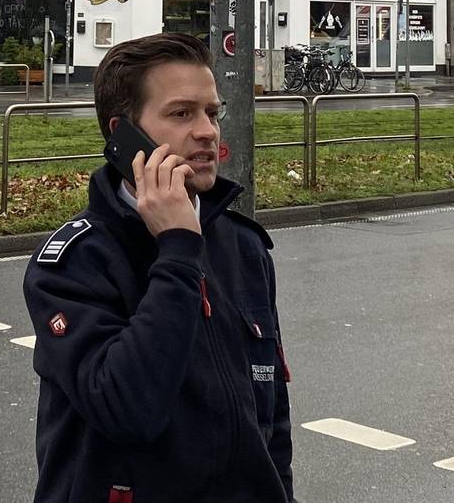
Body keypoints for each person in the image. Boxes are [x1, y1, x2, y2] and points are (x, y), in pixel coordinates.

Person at [24, 32, 293, 503]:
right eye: (181, 113)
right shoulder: (74, 263)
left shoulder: (243, 247)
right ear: (122, 134)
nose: (207, 130)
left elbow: (270, 420)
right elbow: (128, 408)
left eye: (212, 112)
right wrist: (177, 250)